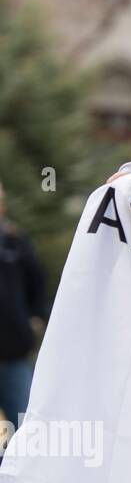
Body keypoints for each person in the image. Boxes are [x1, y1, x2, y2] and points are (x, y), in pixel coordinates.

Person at [0, 178, 47, 432]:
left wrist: (36, 320)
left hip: (13, 355)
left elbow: (37, 283)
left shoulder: (15, 242)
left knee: (26, 429)